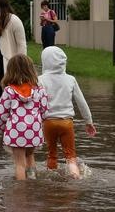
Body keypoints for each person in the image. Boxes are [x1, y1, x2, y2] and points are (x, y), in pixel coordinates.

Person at [38, 46, 97, 178]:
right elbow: (82, 103)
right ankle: (76, 178)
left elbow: (36, 102)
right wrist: (89, 122)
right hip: (66, 123)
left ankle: (50, 180)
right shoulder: (70, 79)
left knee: (52, 154)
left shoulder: (40, 79)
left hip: (48, 122)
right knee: (70, 156)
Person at [0, 54, 49, 181]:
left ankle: (21, 191)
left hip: (16, 132)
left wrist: (2, 129)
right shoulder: (40, 90)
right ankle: (32, 181)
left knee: (19, 164)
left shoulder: (9, 91)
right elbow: (45, 112)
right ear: (31, 70)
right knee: (30, 157)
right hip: (34, 131)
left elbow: (1, 114)